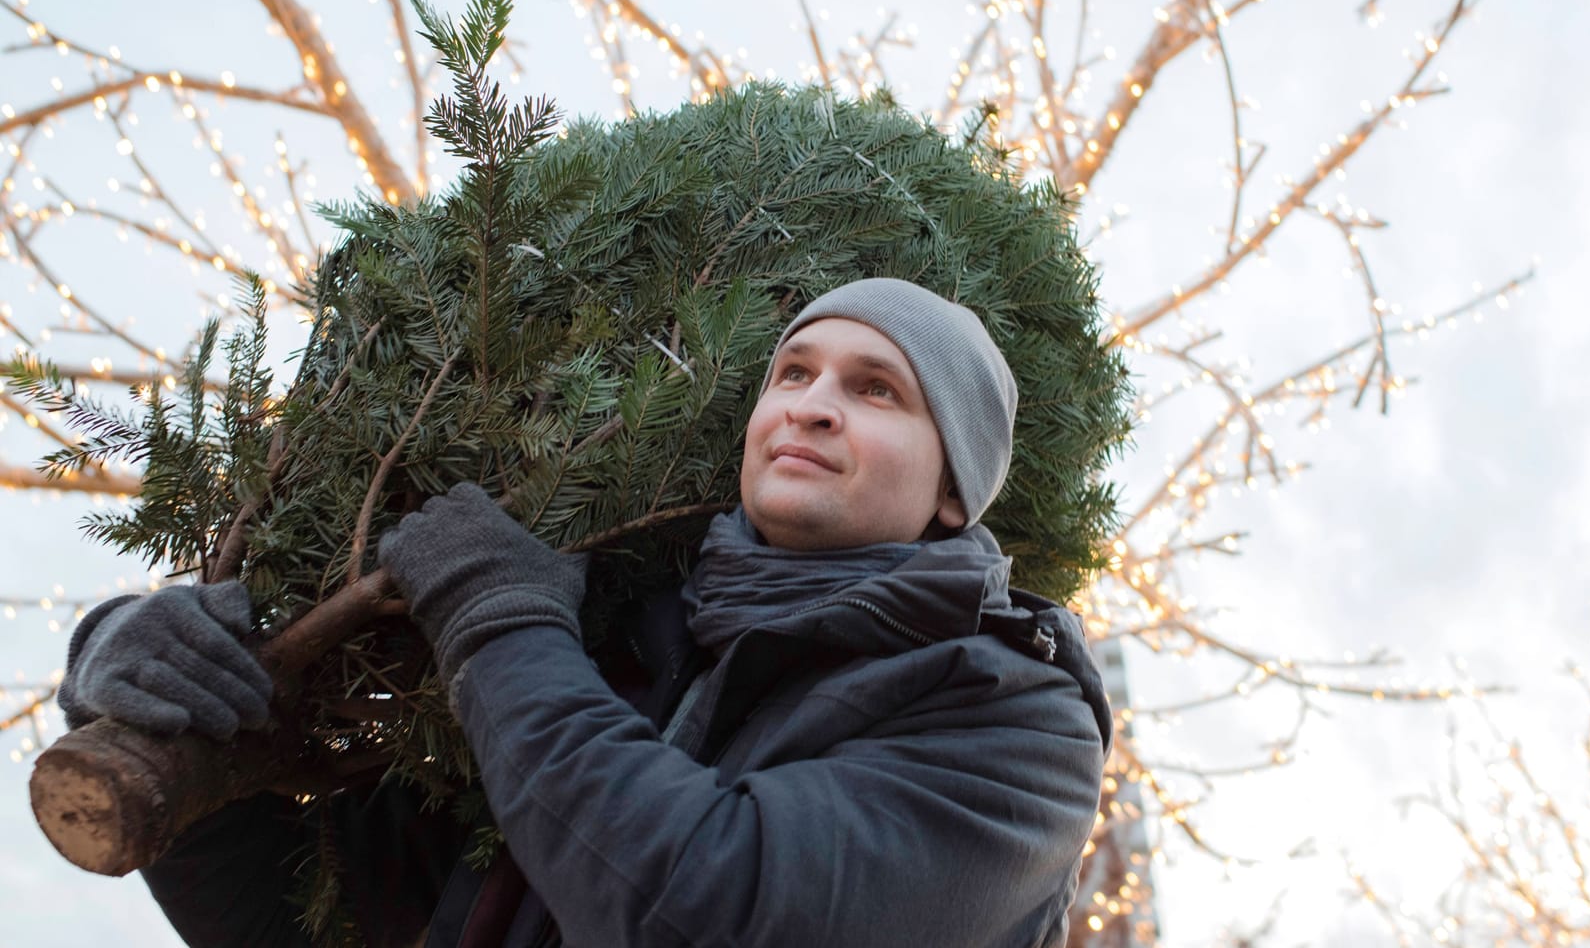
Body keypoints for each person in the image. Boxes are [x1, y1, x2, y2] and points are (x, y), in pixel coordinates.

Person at [56, 277, 1113, 948]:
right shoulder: (621, 655)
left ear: (951, 490)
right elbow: (289, 918)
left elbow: (708, 914)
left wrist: (497, 620)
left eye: (878, 388)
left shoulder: (1013, 722)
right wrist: (131, 682)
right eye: (792, 371)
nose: (812, 402)